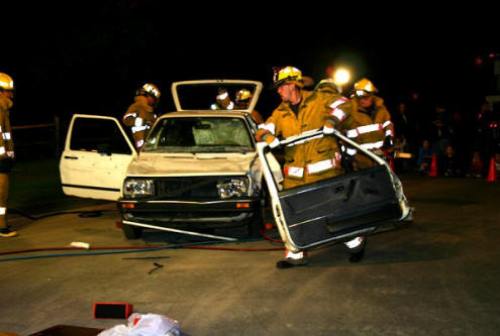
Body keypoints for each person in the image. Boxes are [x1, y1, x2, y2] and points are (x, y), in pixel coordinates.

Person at [256, 66, 366, 269]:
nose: (278, 91)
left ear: (292, 85)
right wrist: (269, 137)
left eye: (281, 87)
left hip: (324, 172)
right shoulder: (280, 112)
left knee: (333, 211)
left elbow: (346, 105)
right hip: (296, 177)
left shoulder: (320, 100)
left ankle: (355, 242)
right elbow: (262, 130)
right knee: (293, 216)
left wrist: (332, 120)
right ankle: (296, 255)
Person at [345, 78, 394, 170]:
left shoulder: (381, 109)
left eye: (365, 97)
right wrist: (349, 157)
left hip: (380, 156)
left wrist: (389, 137)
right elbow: (347, 134)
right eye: (359, 98)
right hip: (361, 159)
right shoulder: (352, 111)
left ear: (372, 95)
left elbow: (388, 123)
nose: (362, 100)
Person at [0, 72, 17, 237]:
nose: (11, 93)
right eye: (7, 90)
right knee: (1, 194)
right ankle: (2, 227)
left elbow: (5, 134)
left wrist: (9, 149)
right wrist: (4, 154)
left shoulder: (3, 108)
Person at [123, 83, 161, 150]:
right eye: (154, 98)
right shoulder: (137, 106)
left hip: (147, 145)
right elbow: (126, 119)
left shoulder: (149, 110)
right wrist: (143, 122)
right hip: (138, 143)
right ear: (148, 96)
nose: (154, 101)